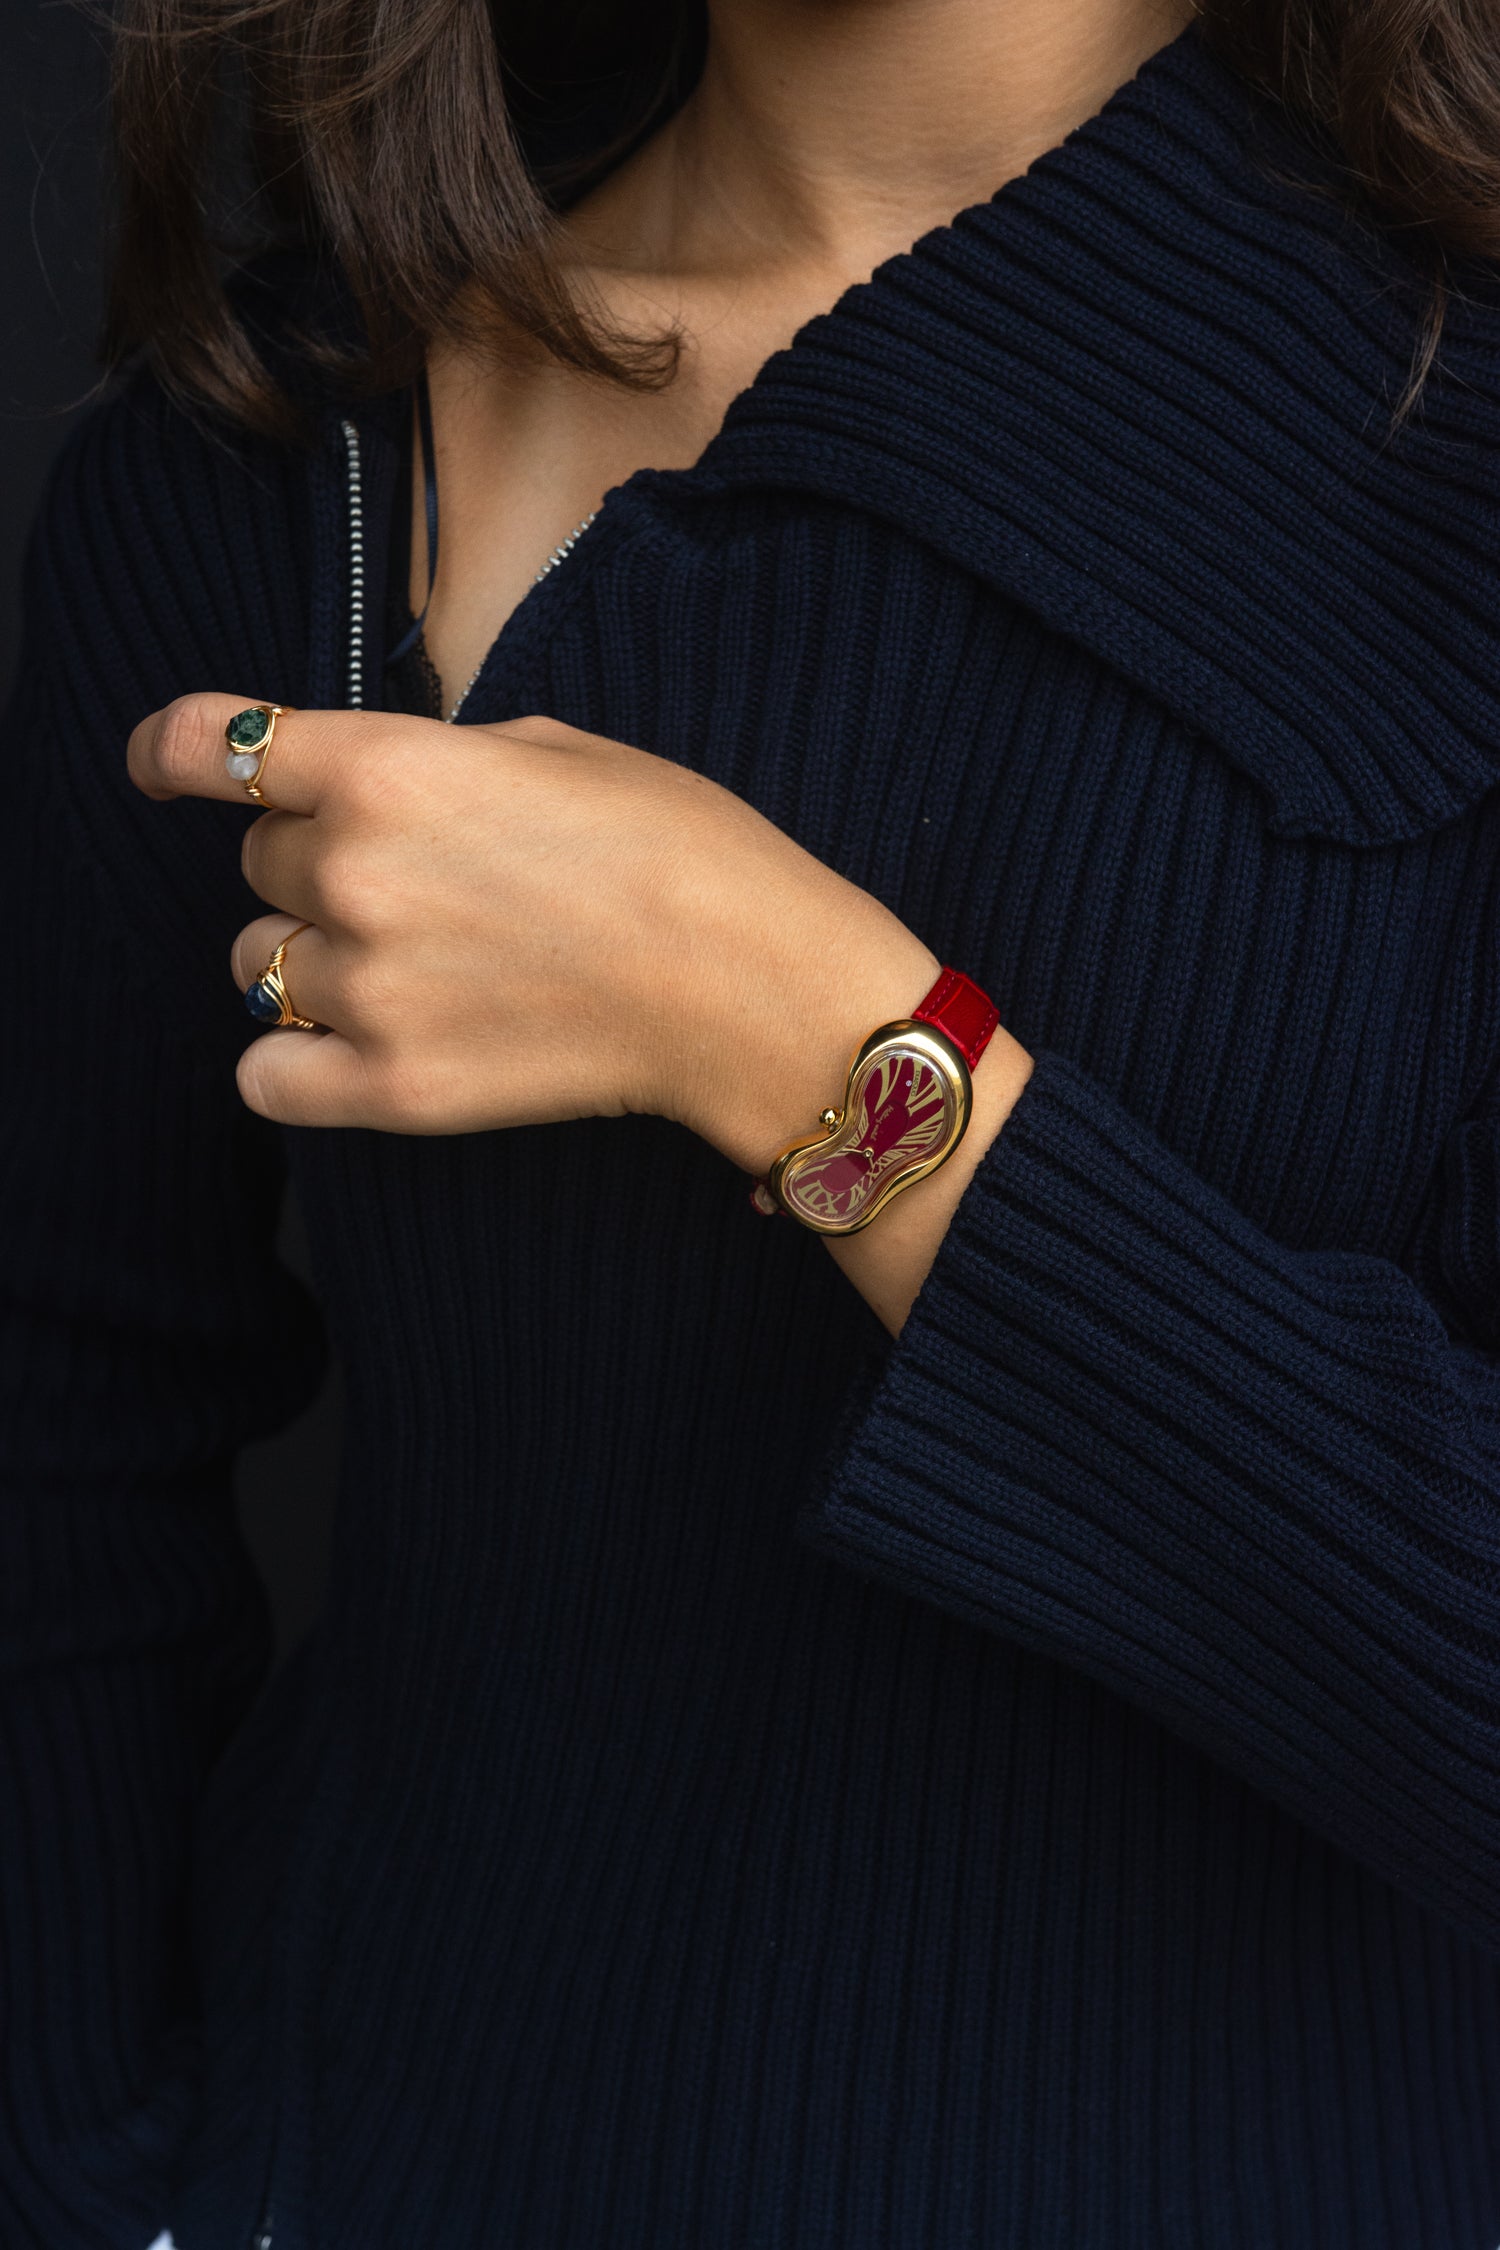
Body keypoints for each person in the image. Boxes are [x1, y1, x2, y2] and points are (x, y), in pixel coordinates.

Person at [6, 0, 1500, 2240]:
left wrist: (805, 1043)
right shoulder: (281, 449)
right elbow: (62, 1434)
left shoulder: (1452, 445)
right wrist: (98, 2184)